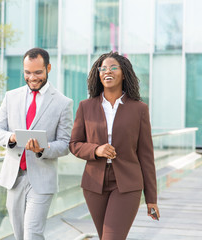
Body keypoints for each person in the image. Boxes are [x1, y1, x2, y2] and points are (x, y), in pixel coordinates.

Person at [69, 51, 160, 240]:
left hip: (127, 184)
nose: (106, 71)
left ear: (124, 73)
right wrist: (96, 150)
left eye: (113, 67)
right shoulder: (85, 106)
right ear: (98, 75)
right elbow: (74, 144)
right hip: (94, 185)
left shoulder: (139, 109)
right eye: (102, 68)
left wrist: (151, 198)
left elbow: (146, 155)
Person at [0, 47, 73, 240]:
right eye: (27, 72)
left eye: (38, 72)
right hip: (14, 178)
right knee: (19, 235)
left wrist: (44, 148)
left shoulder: (63, 103)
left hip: (42, 179)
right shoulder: (11, 97)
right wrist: (11, 138)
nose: (32, 77)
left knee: (32, 234)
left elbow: (65, 144)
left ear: (48, 68)